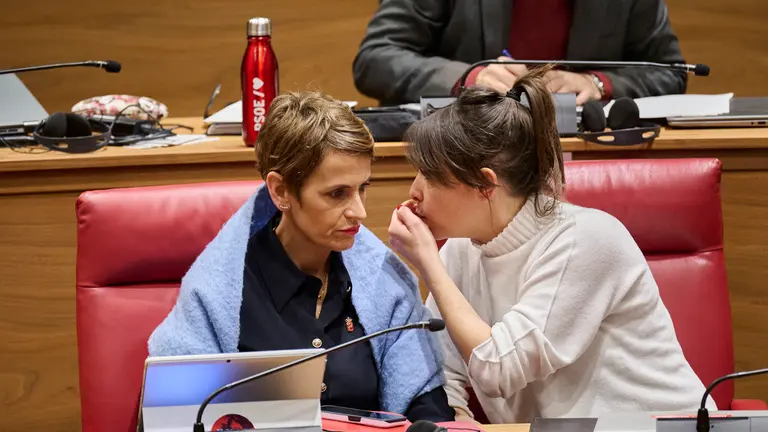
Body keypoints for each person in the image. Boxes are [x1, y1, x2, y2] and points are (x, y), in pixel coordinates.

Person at [386, 67, 715, 423]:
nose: (414, 190)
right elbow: (441, 372)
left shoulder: (585, 240)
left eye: (431, 175)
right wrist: (458, 422)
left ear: (485, 185)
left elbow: (499, 369)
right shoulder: (461, 250)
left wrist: (428, 264)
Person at [148, 91, 454, 422]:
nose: (359, 211)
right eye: (337, 194)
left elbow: (428, 409)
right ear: (280, 191)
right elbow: (173, 420)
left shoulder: (386, 284)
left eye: (362, 187)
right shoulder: (217, 294)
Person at [353, 0, 686, 106]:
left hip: (586, 160)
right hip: (462, 156)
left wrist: (598, 84)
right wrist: (470, 77)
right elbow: (376, 59)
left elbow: (671, 70)